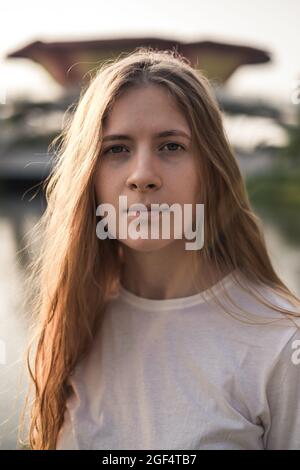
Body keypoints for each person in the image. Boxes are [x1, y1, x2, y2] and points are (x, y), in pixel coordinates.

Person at [19, 48, 300, 450]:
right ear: (90, 177)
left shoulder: (281, 342)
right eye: (116, 149)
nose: (143, 176)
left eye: (171, 146)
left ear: (210, 170)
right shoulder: (70, 322)